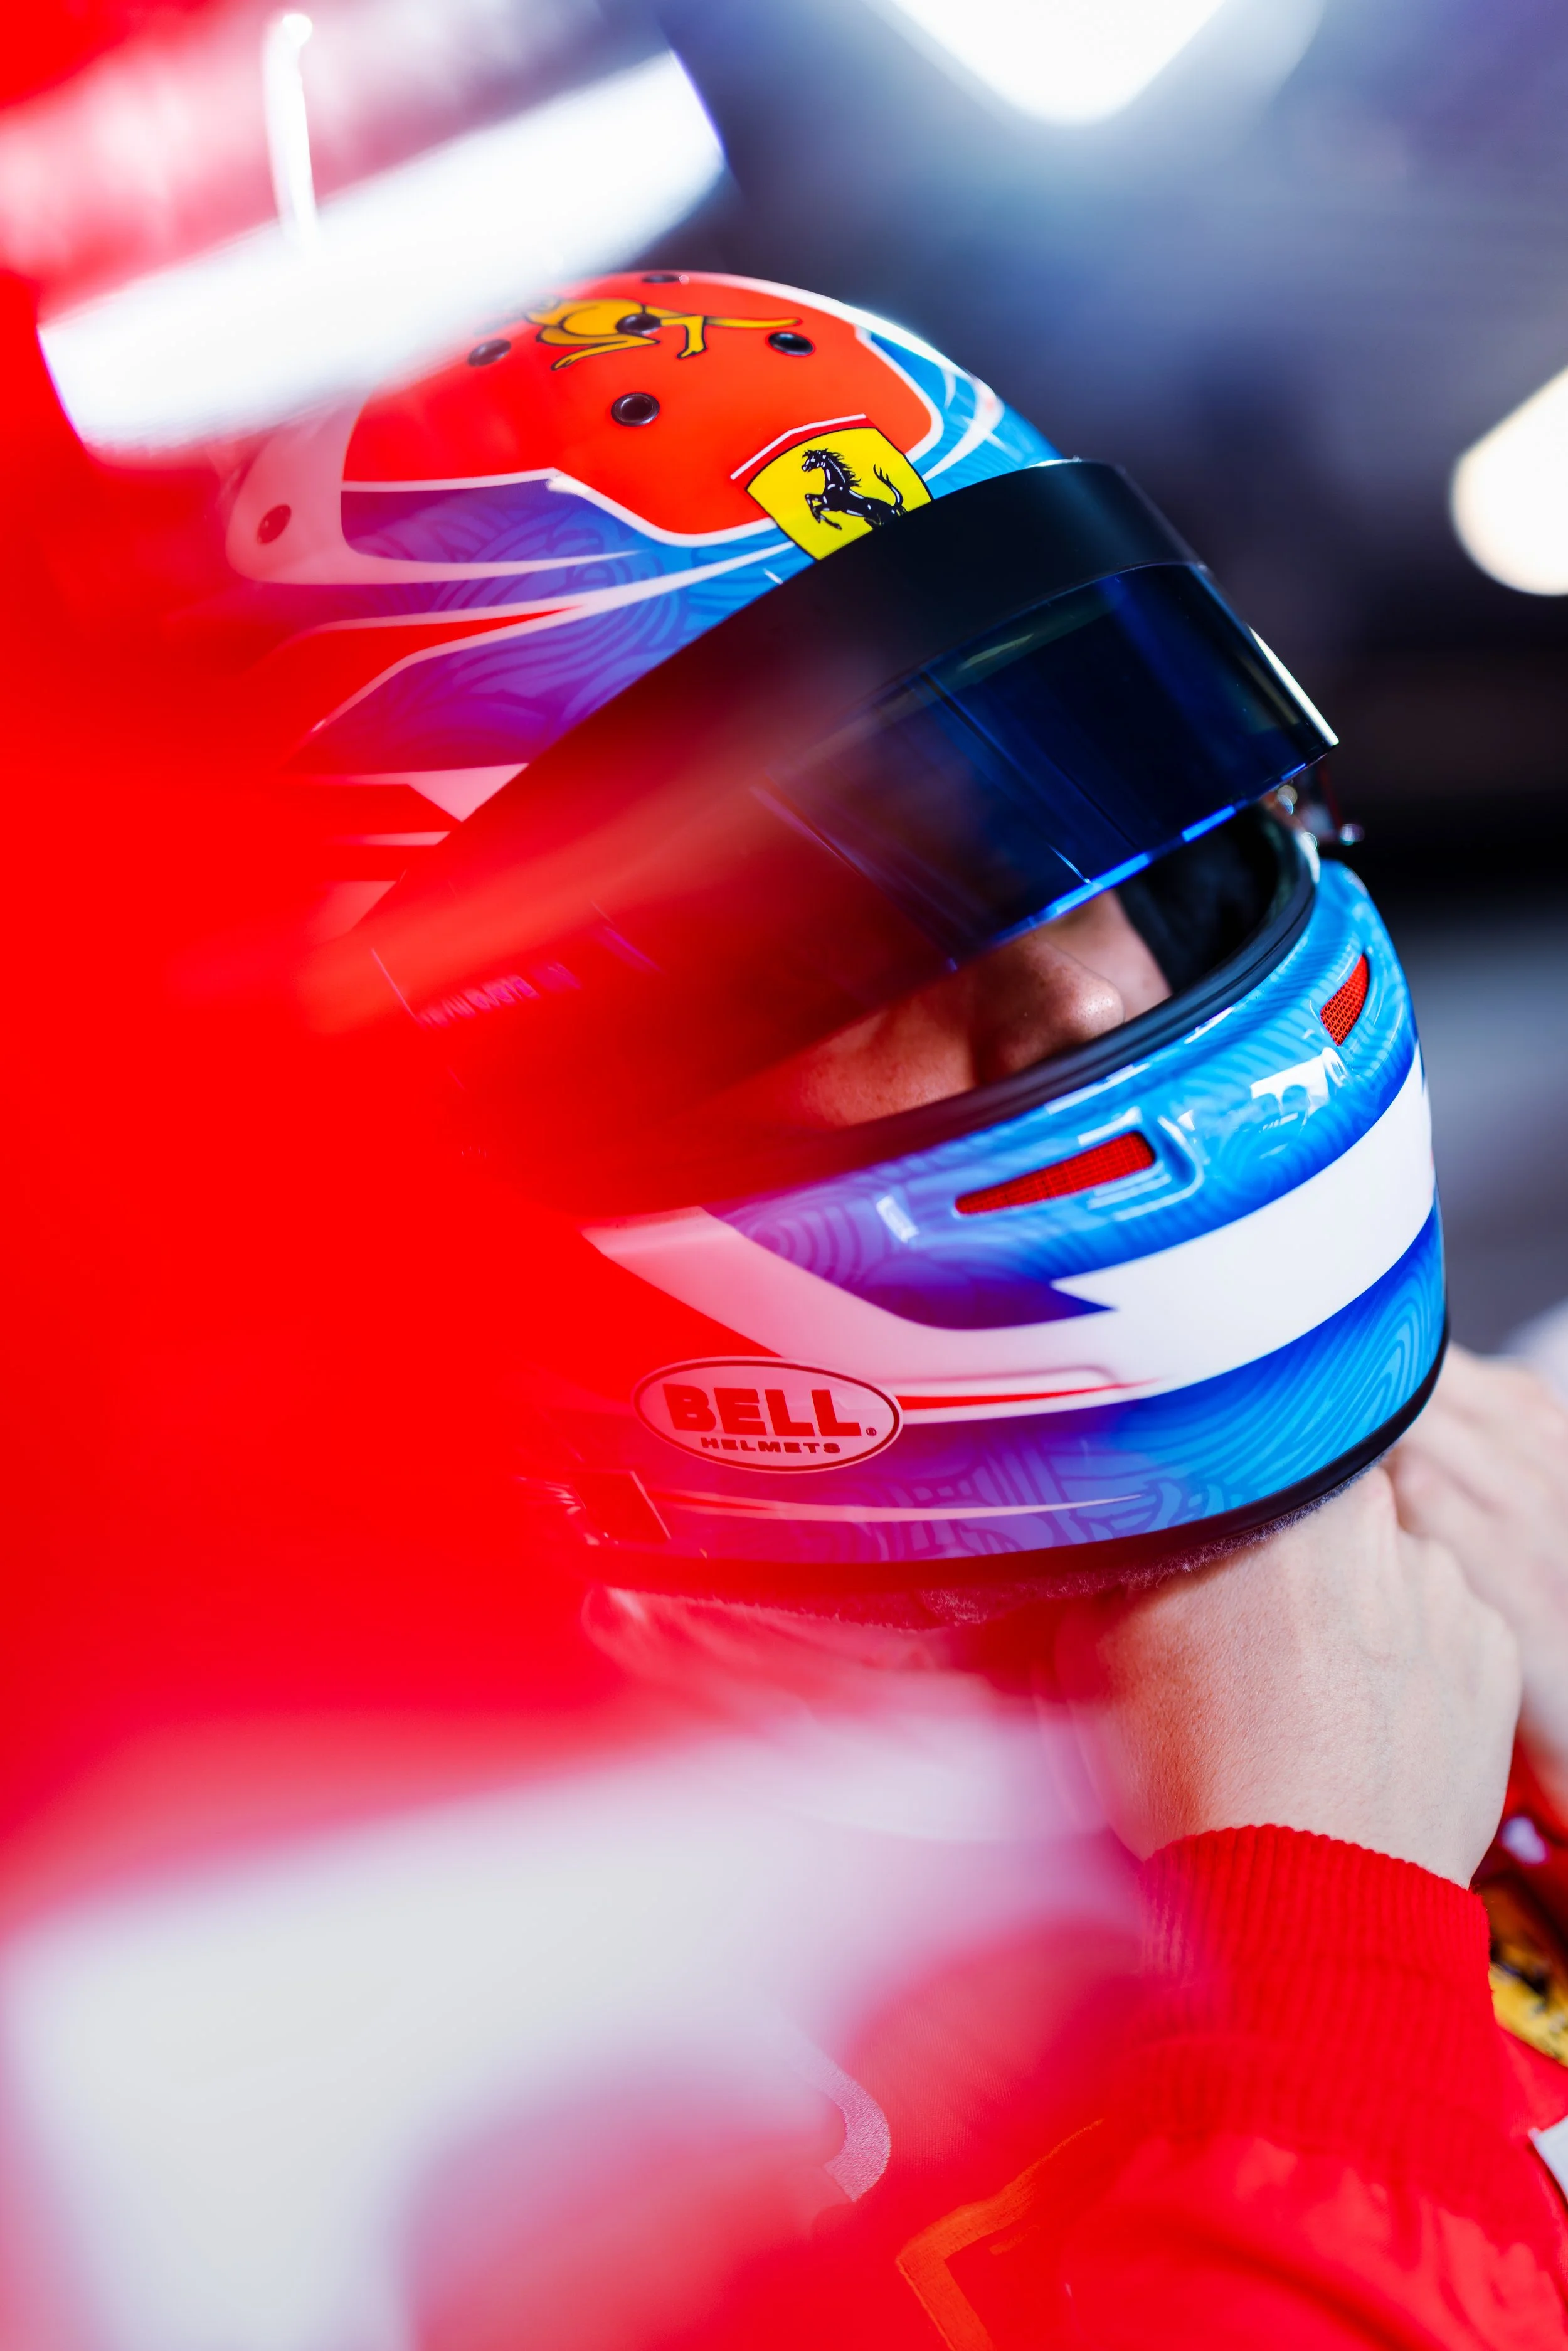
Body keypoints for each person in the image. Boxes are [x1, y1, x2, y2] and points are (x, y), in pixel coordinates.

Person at [221, 267, 1568, 2340]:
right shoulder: (453, 2080)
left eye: (1134, 808)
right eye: (864, 932)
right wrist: (1326, 1969)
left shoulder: (1525, 1480)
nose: (1105, 989)